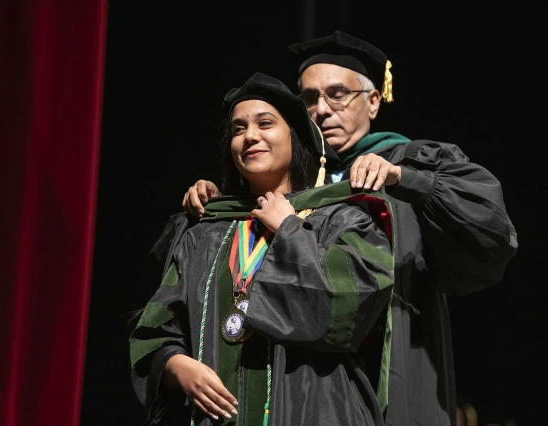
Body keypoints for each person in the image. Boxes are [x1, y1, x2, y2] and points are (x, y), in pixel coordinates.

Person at [175, 31, 519, 426]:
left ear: (374, 101)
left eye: (338, 94)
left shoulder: (408, 160)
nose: (321, 110)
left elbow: (490, 231)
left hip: (397, 349)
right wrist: (221, 200)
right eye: (308, 98)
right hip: (303, 381)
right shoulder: (297, 182)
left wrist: (404, 179)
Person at [130, 71, 397, 425]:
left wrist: (289, 229)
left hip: (317, 412)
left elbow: (346, 312)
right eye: (238, 129)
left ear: (296, 138)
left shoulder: (343, 222)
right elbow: (156, 332)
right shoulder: (205, 234)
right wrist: (177, 367)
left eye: (265, 123)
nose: (250, 136)